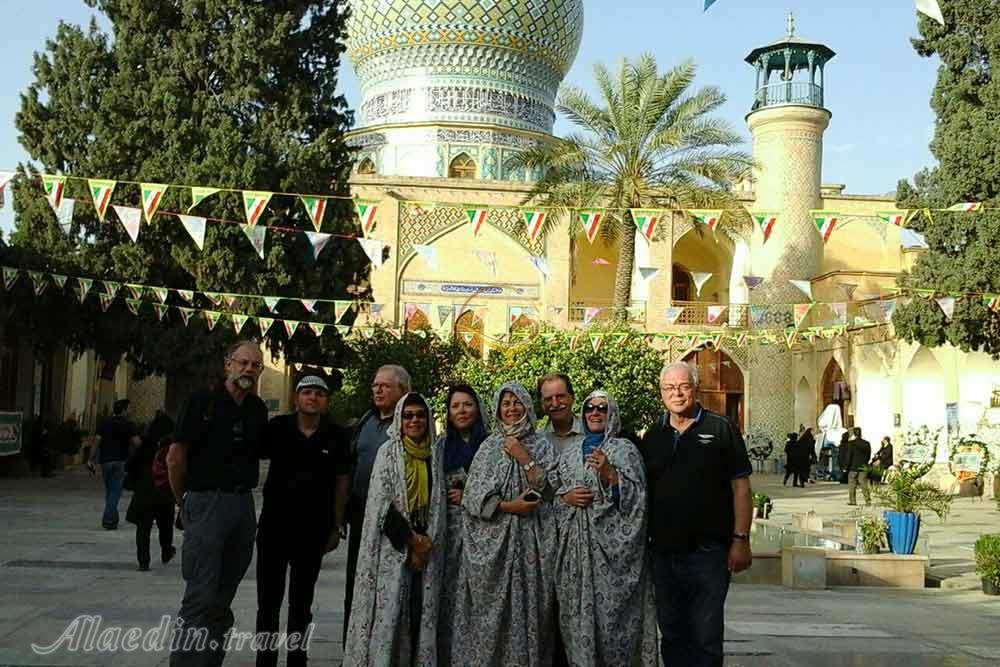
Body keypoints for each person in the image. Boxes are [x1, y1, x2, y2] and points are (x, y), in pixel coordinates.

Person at [639, 362, 753, 667]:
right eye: (669, 388)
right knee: (673, 636)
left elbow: (741, 487)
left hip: (708, 554)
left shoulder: (720, 429)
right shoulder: (654, 435)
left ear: (695, 388)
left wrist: (740, 538)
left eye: (683, 386)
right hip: (663, 554)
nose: (676, 394)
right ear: (661, 393)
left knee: (706, 638)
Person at [167, 340, 269, 667]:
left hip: (242, 506)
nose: (248, 370)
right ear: (228, 364)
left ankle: (211, 660)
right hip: (206, 500)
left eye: (255, 365)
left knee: (223, 597)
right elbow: (175, 458)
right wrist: (182, 503)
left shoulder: (257, 410)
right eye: (243, 363)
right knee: (200, 595)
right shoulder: (202, 402)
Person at [553, 390, 658, 666]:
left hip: (613, 561)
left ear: (611, 413)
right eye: (590, 408)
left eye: (602, 408)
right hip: (575, 559)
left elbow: (638, 501)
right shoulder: (571, 451)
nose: (595, 413)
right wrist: (566, 498)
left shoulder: (625, 449)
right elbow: (554, 495)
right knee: (576, 627)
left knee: (612, 628)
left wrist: (610, 474)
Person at [457, 382, 558, 667]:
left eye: (517, 402)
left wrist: (523, 457)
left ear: (527, 405)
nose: (512, 408)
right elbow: (473, 497)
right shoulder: (488, 447)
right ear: (498, 410)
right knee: (491, 623)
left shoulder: (542, 445)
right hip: (494, 550)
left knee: (533, 617)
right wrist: (507, 506)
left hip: (533, 549)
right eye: (506, 403)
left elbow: (552, 490)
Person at [343, 393, 445, 666]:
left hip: (427, 549)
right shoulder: (387, 453)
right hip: (394, 547)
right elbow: (381, 506)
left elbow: (438, 502)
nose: (414, 421)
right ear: (399, 419)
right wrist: (412, 542)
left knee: (418, 616)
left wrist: (425, 547)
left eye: (420, 415)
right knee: (391, 616)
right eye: (408, 415)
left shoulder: (433, 454)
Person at [256, 374, 350, 667]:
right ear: (296, 398)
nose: (313, 398)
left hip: (312, 531)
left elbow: (342, 481)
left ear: (326, 400)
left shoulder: (336, 436)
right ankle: (265, 660)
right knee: (268, 604)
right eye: (307, 392)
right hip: (274, 529)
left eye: (319, 394)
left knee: (301, 604)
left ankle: (298, 659)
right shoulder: (278, 428)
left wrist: (336, 525)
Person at [343, 364, 410, 646]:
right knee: (357, 584)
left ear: (403, 391)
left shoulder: (410, 423)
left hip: (394, 519)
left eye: (385, 386)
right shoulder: (366, 422)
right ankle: (353, 650)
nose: (377, 390)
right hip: (361, 516)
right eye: (375, 385)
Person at [436, 384, 489, 665]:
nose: (462, 411)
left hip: (486, 536)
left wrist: (471, 494)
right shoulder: (441, 447)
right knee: (451, 602)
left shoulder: (492, 446)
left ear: (478, 408)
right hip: (451, 538)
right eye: (455, 406)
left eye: (467, 404)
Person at [125, 432, 176, 571]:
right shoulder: (167, 453)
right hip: (163, 493)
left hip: (144, 493)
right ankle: (166, 551)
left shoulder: (142, 453)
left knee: (143, 529)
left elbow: (129, 467)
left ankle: (143, 562)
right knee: (166, 526)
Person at [90, 399, 142, 529]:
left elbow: (96, 442)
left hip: (105, 461)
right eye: (129, 408)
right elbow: (137, 443)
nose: (130, 411)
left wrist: (90, 459)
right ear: (124, 410)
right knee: (116, 492)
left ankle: (113, 518)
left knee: (110, 491)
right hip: (121, 461)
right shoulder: (128, 425)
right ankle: (108, 520)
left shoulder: (104, 423)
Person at [538, 373, 584, 454]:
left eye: (560, 396)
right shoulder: (537, 440)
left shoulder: (591, 431)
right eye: (548, 399)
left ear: (572, 398)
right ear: (542, 404)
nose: (555, 404)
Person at [846, 427, 872, 506]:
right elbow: (868, 455)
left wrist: (846, 466)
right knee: (863, 483)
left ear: (854, 433)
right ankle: (867, 500)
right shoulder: (866, 443)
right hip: (863, 466)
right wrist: (865, 462)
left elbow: (849, 456)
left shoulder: (851, 443)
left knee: (852, 484)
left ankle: (853, 501)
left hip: (853, 466)